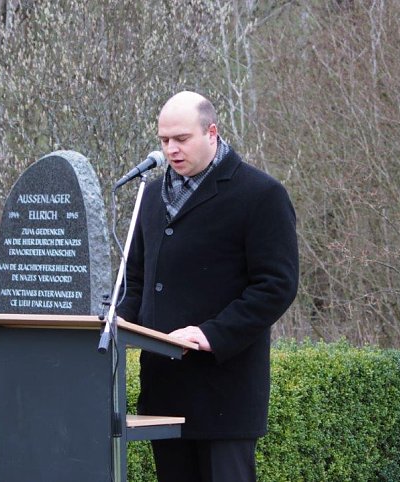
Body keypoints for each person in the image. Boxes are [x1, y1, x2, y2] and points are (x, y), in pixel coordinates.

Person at [116, 91, 299, 482]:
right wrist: (112, 324)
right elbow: (135, 282)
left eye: (182, 139)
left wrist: (211, 333)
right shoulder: (149, 197)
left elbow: (275, 286)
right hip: (165, 389)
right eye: (164, 140)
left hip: (224, 392)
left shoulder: (260, 195)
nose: (171, 149)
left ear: (211, 132)